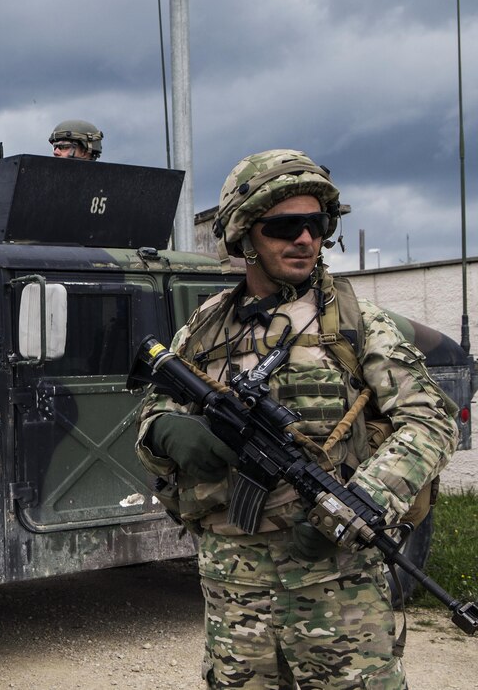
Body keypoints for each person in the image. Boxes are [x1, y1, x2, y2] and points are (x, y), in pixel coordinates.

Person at [135, 149, 459, 689]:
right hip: (236, 600)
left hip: (339, 602)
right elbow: (154, 406)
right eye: (285, 226)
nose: (305, 239)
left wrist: (359, 503)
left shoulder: (357, 323)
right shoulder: (206, 326)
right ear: (244, 235)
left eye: (316, 224)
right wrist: (166, 431)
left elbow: (431, 422)